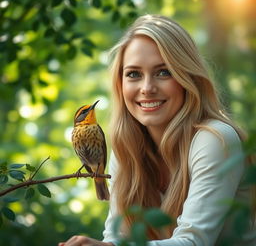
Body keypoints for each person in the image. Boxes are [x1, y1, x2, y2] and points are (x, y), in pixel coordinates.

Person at [59, 14, 256, 246]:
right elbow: (117, 238)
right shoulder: (126, 148)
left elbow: (193, 243)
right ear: (120, 85)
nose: (147, 88)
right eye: (133, 74)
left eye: (163, 72)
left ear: (187, 77)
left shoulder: (215, 139)